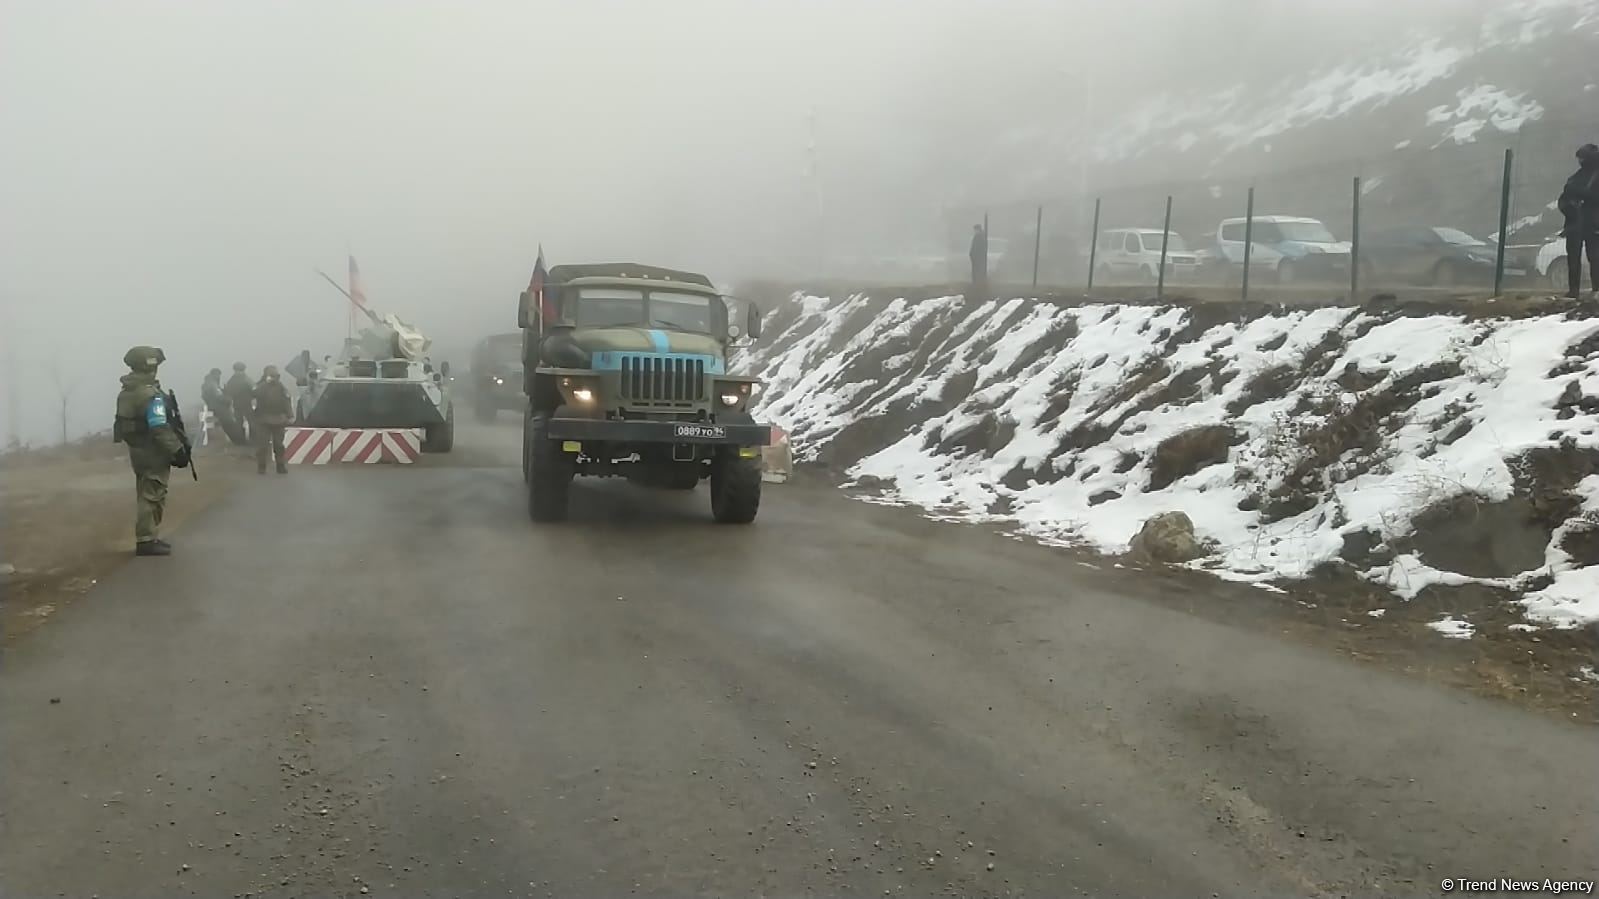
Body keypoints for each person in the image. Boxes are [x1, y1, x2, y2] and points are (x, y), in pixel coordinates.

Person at [113, 346, 189, 556]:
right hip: (152, 449)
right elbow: (159, 425)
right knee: (152, 494)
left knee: (146, 490)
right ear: (151, 366)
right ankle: (146, 540)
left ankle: (148, 537)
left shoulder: (128, 390)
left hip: (138, 448)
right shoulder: (149, 393)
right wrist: (177, 449)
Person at [1557, 143, 1599, 299]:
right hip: (1575, 223)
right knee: (1573, 258)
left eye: (1582, 158)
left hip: (1592, 223)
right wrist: (1569, 209)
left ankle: (1596, 289)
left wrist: (1580, 195)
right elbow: (1562, 200)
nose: (1580, 161)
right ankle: (1574, 291)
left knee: (1594, 257)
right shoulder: (1575, 177)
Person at [251, 364, 294, 474]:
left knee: (279, 445)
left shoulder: (281, 387)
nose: (274, 378)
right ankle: (261, 467)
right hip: (263, 420)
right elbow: (254, 394)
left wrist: (290, 415)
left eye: (275, 375)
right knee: (262, 445)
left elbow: (286, 401)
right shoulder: (261, 386)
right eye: (272, 375)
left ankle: (280, 466)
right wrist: (264, 383)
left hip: (278, 419)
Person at [201, 367, 247, 446]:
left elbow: (207, 396)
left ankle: (238, 441)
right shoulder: (212, 384)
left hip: (215, 406)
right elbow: (218, 396)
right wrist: (228, 399)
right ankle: (239, 441)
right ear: (215, 374)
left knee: (227, 425)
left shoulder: (207, 383)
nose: (219, 377)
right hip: (220, 407)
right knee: (230, 424)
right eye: (218, 375)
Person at [224, 362, 255, 443]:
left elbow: (228, 392)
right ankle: (252, 439)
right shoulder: (247, 379)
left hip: (236, 404)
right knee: (251, 421)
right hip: (247, 403)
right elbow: (254, 390)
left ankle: (240, 440)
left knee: (238, 422)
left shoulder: (231, 380)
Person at [969, 223, 989, 298]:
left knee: (976, 271)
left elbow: (976, 248)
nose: (974, 231)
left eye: (975, 229)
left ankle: (977, 286)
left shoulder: (979, 237)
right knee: (977, 271)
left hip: (977, 258)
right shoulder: (981, 236)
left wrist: (972, 255)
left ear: (977, 229)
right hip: (976, 257)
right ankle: (977, 284)